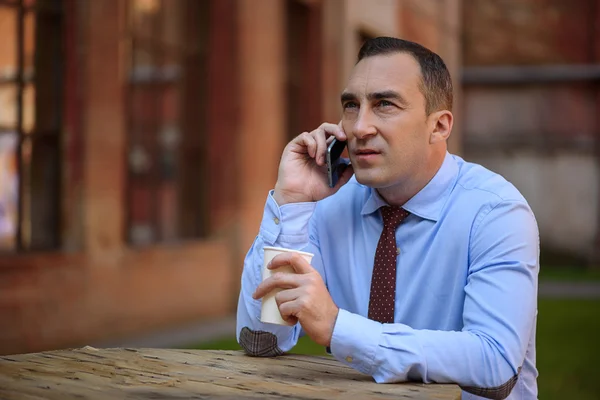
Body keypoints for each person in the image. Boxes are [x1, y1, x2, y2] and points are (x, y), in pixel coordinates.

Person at [236, 37, 539, 400]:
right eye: (351, 105)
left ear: (439, 126)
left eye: (384, 104)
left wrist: (338, 327)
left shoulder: (495, 212)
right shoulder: (326, 206)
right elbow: (262, 341)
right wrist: (292, 202)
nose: (359, 127)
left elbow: (495, 366)